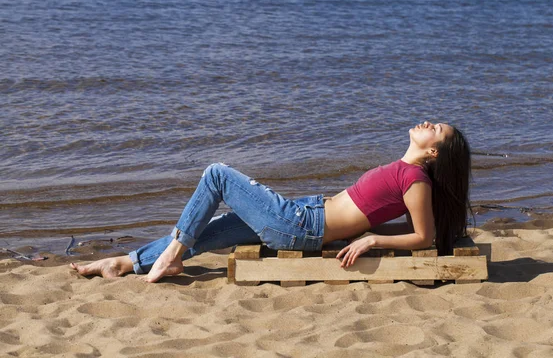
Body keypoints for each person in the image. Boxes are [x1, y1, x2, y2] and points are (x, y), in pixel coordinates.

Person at [70, 121, 472, 283]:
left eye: (435, 128)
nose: (426, 123)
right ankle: (123, 263)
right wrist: (368, 229)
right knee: (211, 230)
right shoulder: (405, 172)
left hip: (300, 226)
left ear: (435, 152)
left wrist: (371, 240)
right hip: (306, 215)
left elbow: (424, 235)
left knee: (216, 174)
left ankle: (171, 254)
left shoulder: (415, 178)